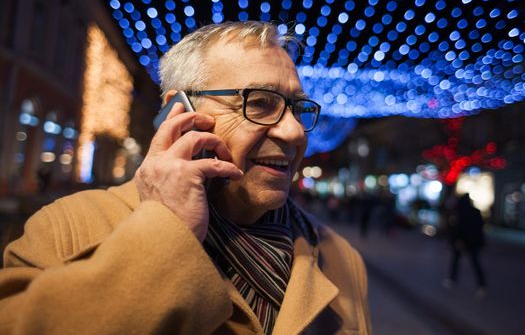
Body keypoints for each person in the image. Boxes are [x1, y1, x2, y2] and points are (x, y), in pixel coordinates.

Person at [0, 21, 371, 334]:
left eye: (298, 108)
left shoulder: (341, 256)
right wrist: (166, 231)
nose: (294, 133)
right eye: (259, 103)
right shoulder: (68, 226)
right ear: (179, 112)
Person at [443, 193, 487, 298]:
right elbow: (480, 228)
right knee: (473, 263)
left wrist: (458, 240)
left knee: (460, 261)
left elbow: (457, 228)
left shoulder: (459, 212)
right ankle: (481, 285)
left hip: (464, 242)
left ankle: (453, 279)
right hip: (471, 242)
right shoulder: (475, 212)